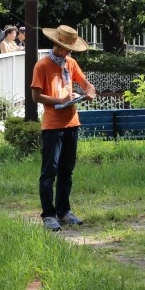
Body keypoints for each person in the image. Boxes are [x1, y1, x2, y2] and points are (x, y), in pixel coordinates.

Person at [30, 25, 96, 232]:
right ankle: (48, 215)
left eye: (69, 49)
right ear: (56, 45)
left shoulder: (71, 63)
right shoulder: (42, 65)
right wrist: (59, 99)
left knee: (67, 171)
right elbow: (36, 96)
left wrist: (88, 92)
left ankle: (64, 211)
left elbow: (86, 84)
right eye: (64, 48)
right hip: (52, 125)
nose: (67, 52)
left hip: (72, 122)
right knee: (49, 172)